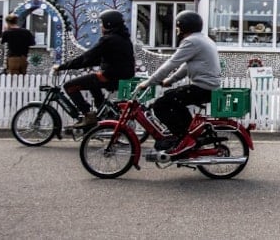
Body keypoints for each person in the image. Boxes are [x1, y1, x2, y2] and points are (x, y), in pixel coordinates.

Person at [138, 10, 221, 154]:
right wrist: (170, 80)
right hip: (207, 87)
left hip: (202, 87)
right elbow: (186, 65)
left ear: (183, 26)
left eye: (178, 26)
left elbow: (172, 63)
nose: (177, 29)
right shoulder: (203, 39)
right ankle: (188, 134)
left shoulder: (191, 41)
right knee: (172, 98)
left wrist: (149, 82)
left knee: (160, 105)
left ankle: (184, 139)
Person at [53, 9, 135, 127]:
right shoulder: (123, 38)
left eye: (102, 23)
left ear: (108, 24)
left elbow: (87, 57)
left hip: (111, 76)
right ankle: (103, 113)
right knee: (93, 82)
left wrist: (62, 67)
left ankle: (88, 115)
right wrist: (83, 63)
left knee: (69, 86)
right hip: (121, 76)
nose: (100, 26)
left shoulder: (108, 39)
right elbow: (96, 59)